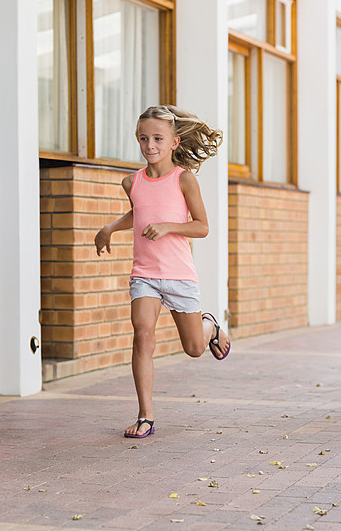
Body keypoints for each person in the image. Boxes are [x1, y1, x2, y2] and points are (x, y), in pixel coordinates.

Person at [94, 105, 231, 439]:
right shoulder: (132, 181)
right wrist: (110, 228)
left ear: (174, 142)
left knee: (194, 348)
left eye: (157, 138)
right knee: (142, 335)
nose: (149, 145)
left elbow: (202, 227)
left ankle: (209, 327)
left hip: (180, 276)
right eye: (143, 138)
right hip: (144, 274)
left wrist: (168, 227)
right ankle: (146, 416)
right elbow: (138, 213)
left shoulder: (184, 179)